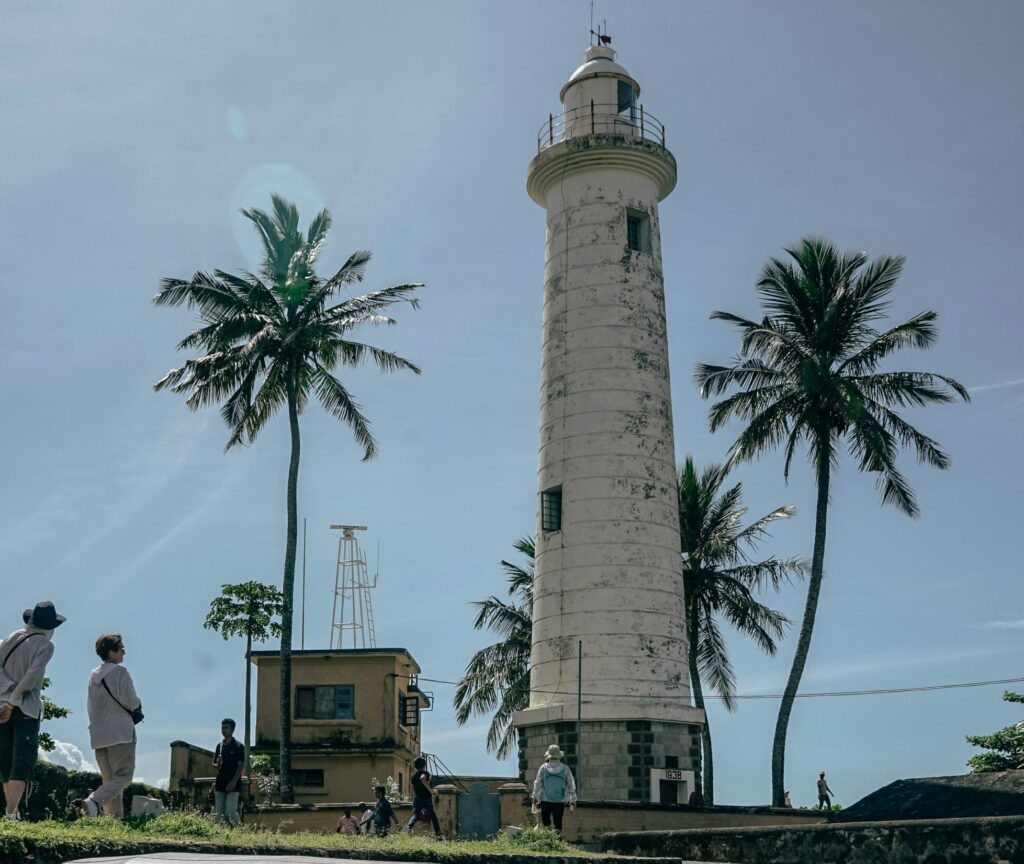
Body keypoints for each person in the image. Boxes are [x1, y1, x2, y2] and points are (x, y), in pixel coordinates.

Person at [0, 601, 66, 820]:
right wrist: (14, 701)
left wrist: (7, 691)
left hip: (1, 704)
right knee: (22, 759)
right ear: (51, 626)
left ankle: (11, 811)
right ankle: (11, 812)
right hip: (25, 708)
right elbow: (32, 677)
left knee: (5, 757)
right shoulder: (45, 645)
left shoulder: (11, 638)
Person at [83, 634, 142, 818]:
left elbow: (90, 706)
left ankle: (113, 820)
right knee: (124, 776)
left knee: (110, 781)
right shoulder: (120, 672)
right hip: (120, 732)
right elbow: (131, 701)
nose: (124, 650)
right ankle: (92, 801)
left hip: (99, 734)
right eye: (121, 647)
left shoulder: (93, 676)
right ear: (111, 651)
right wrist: (138, 704)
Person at [532, 744, 577, 833]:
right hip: (559, 801)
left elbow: (538, 784)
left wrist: (535, 797)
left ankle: (546, 841)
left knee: (545, 824)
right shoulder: (565, 768)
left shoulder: (543, 768)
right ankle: (558, 841)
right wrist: (572, 800)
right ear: (558, 756)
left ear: (549, 756)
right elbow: (571, 785)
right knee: (558, 824)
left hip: (545, 800)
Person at [213, 718, 244, 826]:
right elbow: (214, 766)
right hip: (220, 783)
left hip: (233, 784)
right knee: (219, 814)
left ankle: (240, 831)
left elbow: (240, 766)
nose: (223, 730)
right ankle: (221, 835)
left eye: (226, 728)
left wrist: (233, 782)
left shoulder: (238, 746)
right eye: (222, 728)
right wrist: (217, 763)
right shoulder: (219, 746)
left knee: (230, 812)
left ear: (232, 729)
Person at [407, 755, 442, 838]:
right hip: (426, 798)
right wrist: (431, 791)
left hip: (417, 798)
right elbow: (422, 778)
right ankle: (438, 834)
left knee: (415, 815)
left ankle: (409, 827)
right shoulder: (425, 773)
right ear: (424, 765)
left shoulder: (413, 776)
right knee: (433, 816)